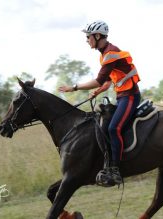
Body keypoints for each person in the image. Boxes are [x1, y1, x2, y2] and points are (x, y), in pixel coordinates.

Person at [58, 20, 141, 186]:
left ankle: (115, 169)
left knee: (113, 128)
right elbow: (108, 82)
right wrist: (98, 92)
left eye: (88, 37)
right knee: (104, 125)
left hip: (130, 96)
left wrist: (74, 87)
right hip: (122, 96)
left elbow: (98, 80)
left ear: (97, 36)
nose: (87, 40)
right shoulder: (105, 54)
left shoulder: (110, 53)